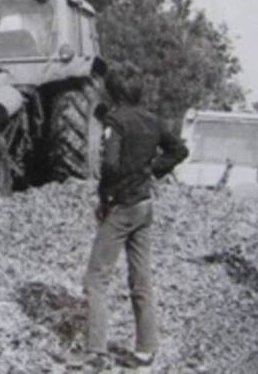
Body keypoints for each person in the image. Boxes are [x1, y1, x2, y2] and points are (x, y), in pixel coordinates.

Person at [79, 67, 189, 368]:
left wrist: (105, 197)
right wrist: (151, 169)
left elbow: (111, 166)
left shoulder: (115, 121)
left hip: (121, 206)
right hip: (144, 204)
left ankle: (97, 350)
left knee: (96, 278)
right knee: (140, 277)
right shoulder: (154, 120)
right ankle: (146, 347)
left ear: (114, 92)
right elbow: (180, 150)